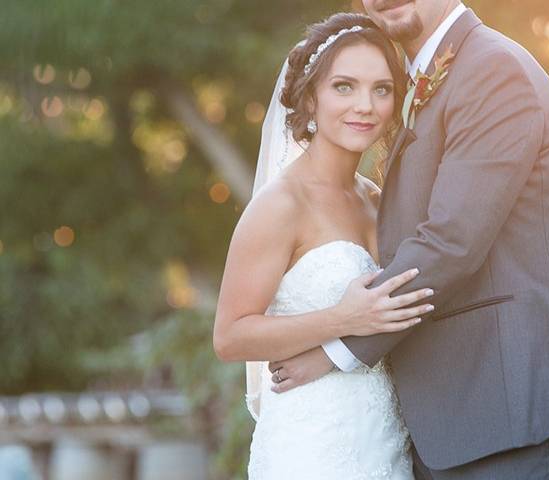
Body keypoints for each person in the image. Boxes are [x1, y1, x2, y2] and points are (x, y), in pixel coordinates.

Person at [268, 1, 549, 479]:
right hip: (448, 423)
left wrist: (336, 349)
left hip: (511, 417)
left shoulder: (494, 70)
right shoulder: (419, 81)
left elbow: (452, 242)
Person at [213, 12, 428, 479]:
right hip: (312, 443)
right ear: (311, 96)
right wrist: (343, 318)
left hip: (385, 439)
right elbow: (230, 336)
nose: (365, 105)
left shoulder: (377, 198)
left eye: (382, 89)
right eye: (344, 87)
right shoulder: (280, 205)